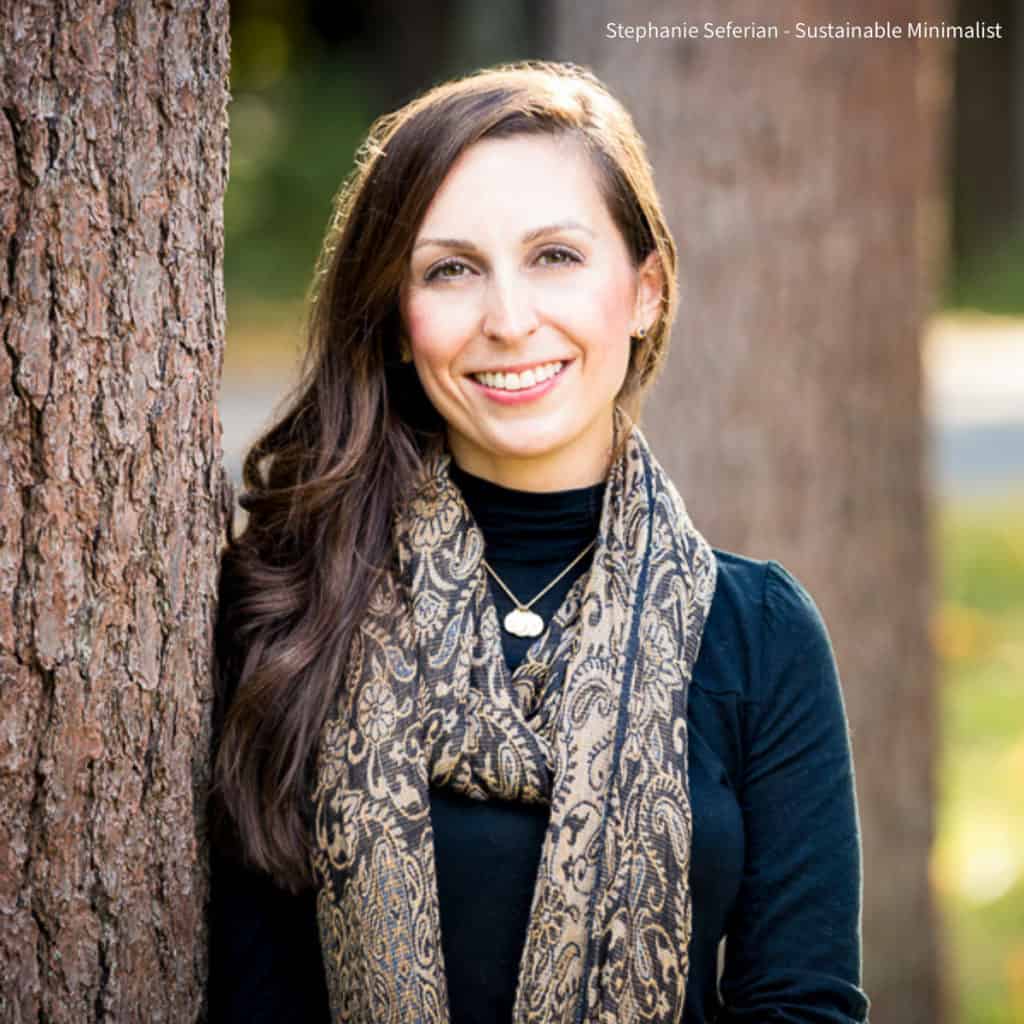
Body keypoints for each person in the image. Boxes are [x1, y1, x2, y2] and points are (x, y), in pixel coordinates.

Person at [208, 60, 870, 1024]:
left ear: (645, 291)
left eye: (556, 256)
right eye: (451, 269)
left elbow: (801, 1006)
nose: (510, 321)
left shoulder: (759, 636)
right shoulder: (290, 606)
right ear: (397, 322)